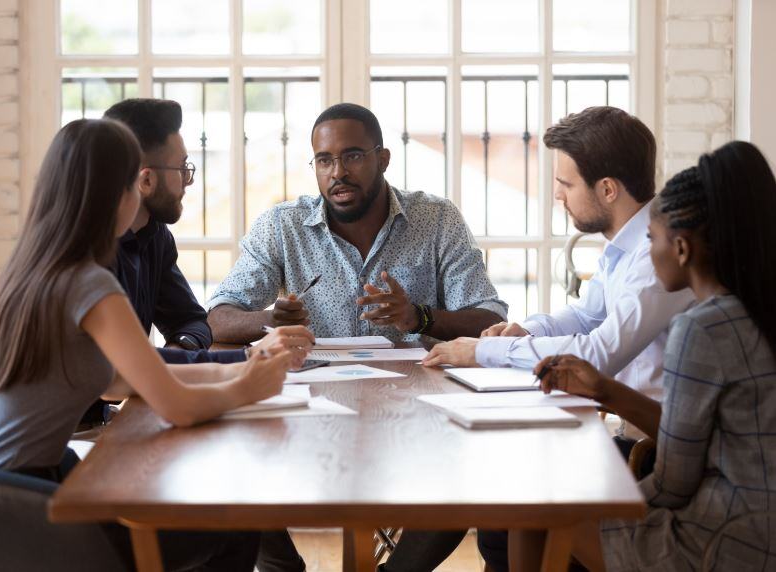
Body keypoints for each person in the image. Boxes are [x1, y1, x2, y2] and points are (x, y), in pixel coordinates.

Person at [0, 118, 291, 571]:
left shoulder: (35, 269)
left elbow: (119, 383)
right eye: (132, 186)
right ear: (112, 195)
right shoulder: (90, 284)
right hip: (26, 513)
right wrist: (249, 388)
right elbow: (176, 407)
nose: (139, 196)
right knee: (235, 521)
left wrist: (237, 368)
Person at [383, 106, 695, 572]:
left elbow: (600, 352)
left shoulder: (655, 255)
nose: (556, 195)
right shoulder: (625, 248)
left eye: (566, 184)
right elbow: (588, 315)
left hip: (649, 453)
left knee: (501, 481)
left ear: (607, 189)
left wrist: (483, 350)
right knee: (495, 491)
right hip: (629, 436)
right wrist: (526, 330)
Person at [516, 140, 776, 570]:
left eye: (652, 239)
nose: (647, 253)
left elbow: (674, 483)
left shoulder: (701, 328)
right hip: (762, 529)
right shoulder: (756, 311)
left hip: (722, 543)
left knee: (534, 501)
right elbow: (703, 439)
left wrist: (614, 498)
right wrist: (604, 390)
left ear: (683, 249)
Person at [207, 103, 508, 344]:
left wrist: (418, 317)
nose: (338, 173)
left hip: (414, 391)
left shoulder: (437, 218)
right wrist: (272, 321)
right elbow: (216, 319)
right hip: (316, 391)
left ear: (383, 160)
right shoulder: (283, 226)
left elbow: (491, 320)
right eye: (324, 160)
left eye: (352, 156)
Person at [103, 98, 313, 367]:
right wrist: (249, 357)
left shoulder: (155, 236)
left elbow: (193, 322)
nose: (188, 181)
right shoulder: (89, 254)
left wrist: (181, 352)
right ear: (146, 180)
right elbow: (120, 367)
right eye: (182, 168)